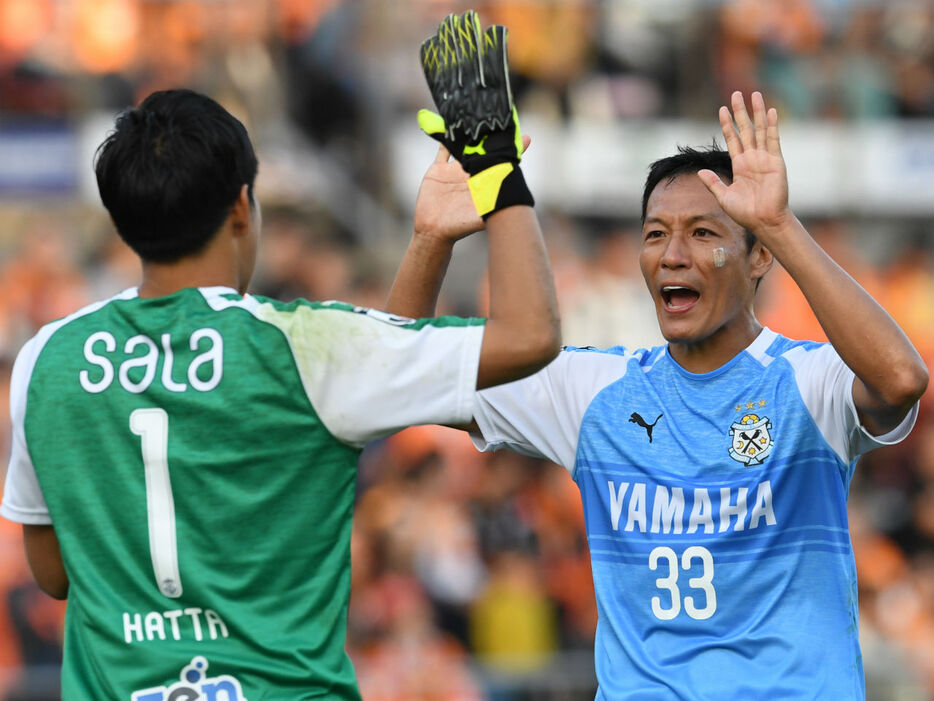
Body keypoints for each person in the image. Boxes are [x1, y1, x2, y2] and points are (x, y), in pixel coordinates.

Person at [0, 39, 559, 701]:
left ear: (124, 218)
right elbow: (529, 334)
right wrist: (496, 165)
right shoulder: (300, 346)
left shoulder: (48, 356)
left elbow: (54, 571)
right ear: (241, 206)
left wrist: (428, 242)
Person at [386, 91, 929, 699]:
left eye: (702, 233)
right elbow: (402, 380)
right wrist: (431, 237)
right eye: (655, 234)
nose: (672, 255)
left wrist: (777, 221)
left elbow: (901, 379)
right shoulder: (593, 393)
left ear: (759, 258)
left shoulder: (808, 383)